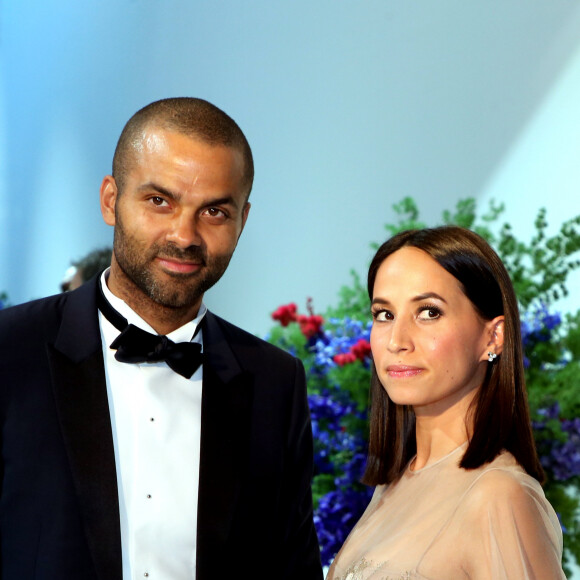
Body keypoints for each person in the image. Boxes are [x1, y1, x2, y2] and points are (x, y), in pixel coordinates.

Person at [0, 97, 323, 579]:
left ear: (242, 221)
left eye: (214, 211)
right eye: (160, 201)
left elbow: (290, 565)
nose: (185, 235)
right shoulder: (10, 351)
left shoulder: (275, 382)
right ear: (111, 200)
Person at [327, 226, 565, 579]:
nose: (397, 341)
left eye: (428, 312)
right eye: (384, 314)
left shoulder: (500, 496)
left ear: (493, 336)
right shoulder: (393, 485)